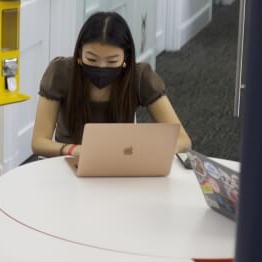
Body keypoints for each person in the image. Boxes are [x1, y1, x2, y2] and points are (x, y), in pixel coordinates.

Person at [31, 11, 192, 159]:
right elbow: (39, 142)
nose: (101, 67)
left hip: (121, 163)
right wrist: (73, 149)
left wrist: (146, 152)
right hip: (69, 161)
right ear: (79, 53)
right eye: (92, 59)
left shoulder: (139, 76)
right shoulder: (61, 72)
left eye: (112, 61)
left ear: (125, 58)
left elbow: (183, 141)